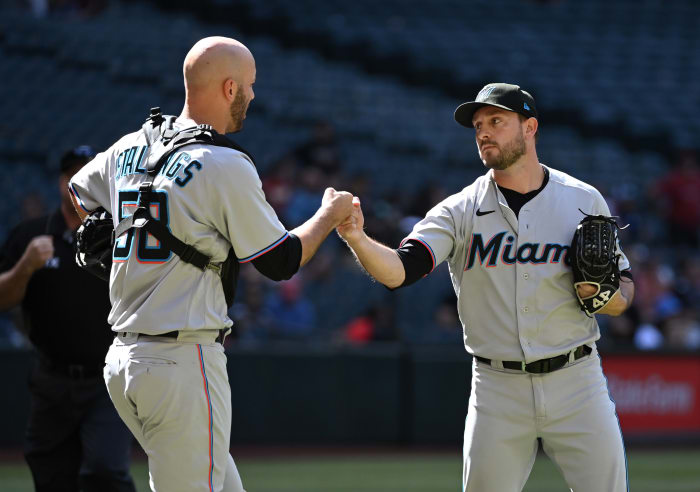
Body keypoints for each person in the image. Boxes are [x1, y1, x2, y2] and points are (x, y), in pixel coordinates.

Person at [68, 36, 354, 492]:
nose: (253, 95)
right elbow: (280, 261)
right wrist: (329, 216)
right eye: (249, 84)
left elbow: (78, 193)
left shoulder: (130, 146)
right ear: (228, 88)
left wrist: (121, 228)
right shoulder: (221, 163)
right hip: (181, 360)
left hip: (123, 361)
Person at [337, 83, 635, 492]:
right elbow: (400, 271)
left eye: (497, 120)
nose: (484, 132)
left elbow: (624, 291)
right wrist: (357, 236)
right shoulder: (459, 209)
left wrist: (606, 299)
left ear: (530, 127)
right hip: (497, 388)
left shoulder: (582, 199)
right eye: (478, 124)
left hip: (577, 380)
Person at [0, 146, 136, 492]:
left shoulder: (122, 238)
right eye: (73, 173)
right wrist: (25, 266)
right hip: (52, 378)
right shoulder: (31, 236)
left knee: (106, 470)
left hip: (108, 378)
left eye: (91, 174)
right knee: (51, 476)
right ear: (62, 181)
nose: (81, 181)